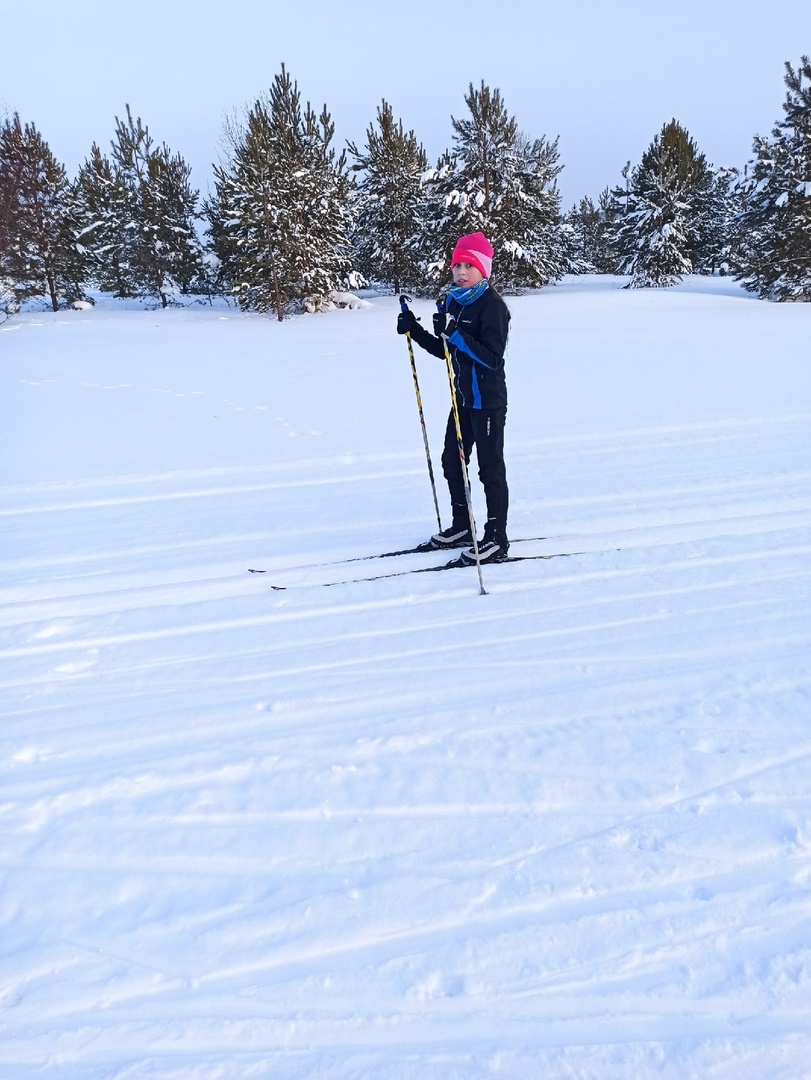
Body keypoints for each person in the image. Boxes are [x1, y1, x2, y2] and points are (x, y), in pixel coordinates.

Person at [397, 231, 511, 564]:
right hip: (462, 401)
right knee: (452, 462)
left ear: (483, 270)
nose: (461, 272)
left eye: (469, 265)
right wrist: (414, 330)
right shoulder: (454, 302)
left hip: (487, 402)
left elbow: (491, 358)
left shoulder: (492, 307)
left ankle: (496, 538)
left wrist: (455, 333)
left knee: (490, 470)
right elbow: (446, 351)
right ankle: (462, 525)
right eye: (457, 265)